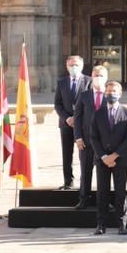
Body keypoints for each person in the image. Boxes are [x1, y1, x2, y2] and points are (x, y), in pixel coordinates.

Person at [89, 81, 127, 236]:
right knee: (102, 192)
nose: (110, 94)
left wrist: (114, 155)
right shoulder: (98, 113)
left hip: (120, 159)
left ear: (120, 93)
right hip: (102, 160)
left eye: (114, 91)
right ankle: (101, 224)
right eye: (108, 91)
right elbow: (93, 137)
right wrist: (103, 156)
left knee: (120, 192)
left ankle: (122, 223)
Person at [72, 65, 108, 210]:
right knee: (85, 171)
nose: (98, 78)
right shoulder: (84, 95)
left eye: (101, 75)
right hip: (86, 141)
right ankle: (84, 199)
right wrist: (78, 137)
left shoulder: (110, 94)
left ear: (106, 78)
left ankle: (104, 201)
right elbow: (78, 117)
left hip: (105, 142)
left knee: (104, 173)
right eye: (95, 75)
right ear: (91, 77)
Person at [54, 55, 91, 190]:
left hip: (83, 124)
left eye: (76, 65)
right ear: (67, 66)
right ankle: (68, 181)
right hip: (66, 124)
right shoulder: (61, 82)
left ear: (81, 66)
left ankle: (85, 182)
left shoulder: (89, 81)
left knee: (85, 153)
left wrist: (78, 118)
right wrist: (67, 118)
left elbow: (90, 103)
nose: (73, 67)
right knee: (67, 153)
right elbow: (58, 104)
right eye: (71, 65)